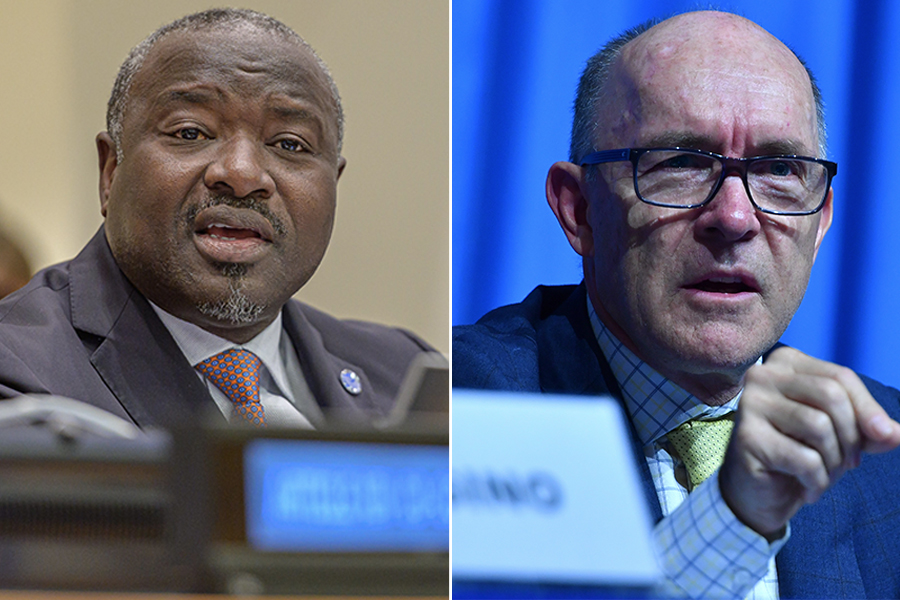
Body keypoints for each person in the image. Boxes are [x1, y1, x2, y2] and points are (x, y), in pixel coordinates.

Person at [453, 10, 900, 599]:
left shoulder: (886, 459)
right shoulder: (468, 410)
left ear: (820, 224)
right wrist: (733, 518)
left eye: (779, 170)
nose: (735, 218)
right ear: (578, 211)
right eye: (682, 163)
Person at [0, 8, 436, 429]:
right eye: (190, 132)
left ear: (333, 185)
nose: (243, 174)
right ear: (111, 170)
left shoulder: (408, 374)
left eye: (290, 144)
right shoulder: (17, 371)